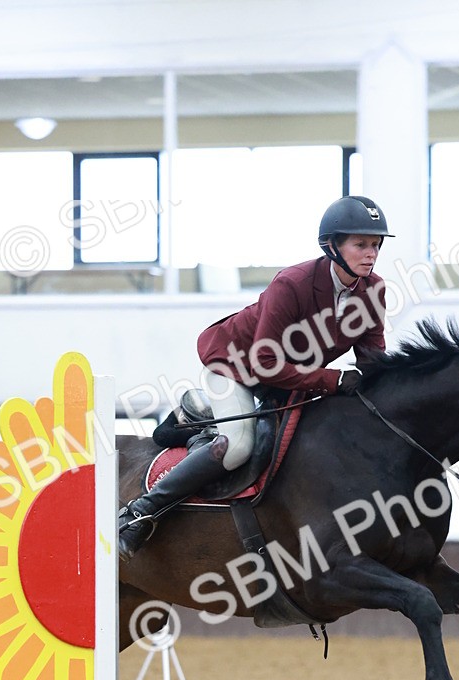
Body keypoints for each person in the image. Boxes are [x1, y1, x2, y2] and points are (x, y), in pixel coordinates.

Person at [118, 194, 392, 562]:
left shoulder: (373, 290)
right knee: (237, 449)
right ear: (331, 245)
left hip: (290, 379)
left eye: (375, 245)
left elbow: (373, 359)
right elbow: (265, 362)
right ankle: (141, 513)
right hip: (237, 367)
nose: (371, 254)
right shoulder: (291, 283)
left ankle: (198, 410)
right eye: (361, 244)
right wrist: (333, 380)